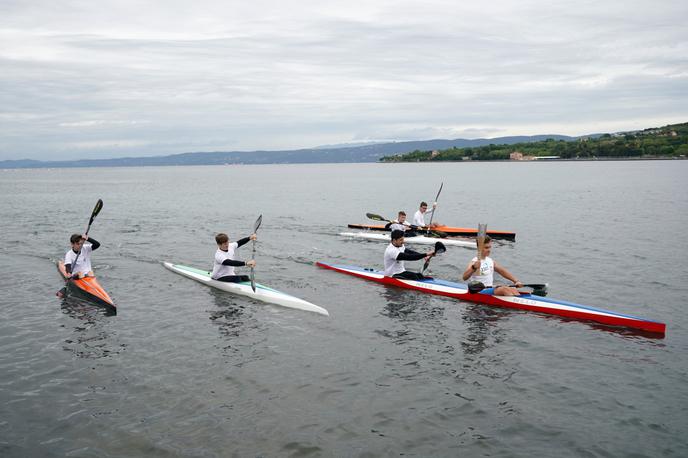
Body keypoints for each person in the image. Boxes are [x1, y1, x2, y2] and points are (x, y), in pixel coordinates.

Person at [57, 233, 101, 298]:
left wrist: (88, 238)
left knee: (90, 272)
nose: (80, 245)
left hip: (89, 275)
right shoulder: (69, 254)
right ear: (72, 244)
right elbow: (68, 267)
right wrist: (68, 273)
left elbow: (97, 244)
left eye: (81, 243)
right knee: (80, 274)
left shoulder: (85, 248)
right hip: (78, 276)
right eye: (78, 244)